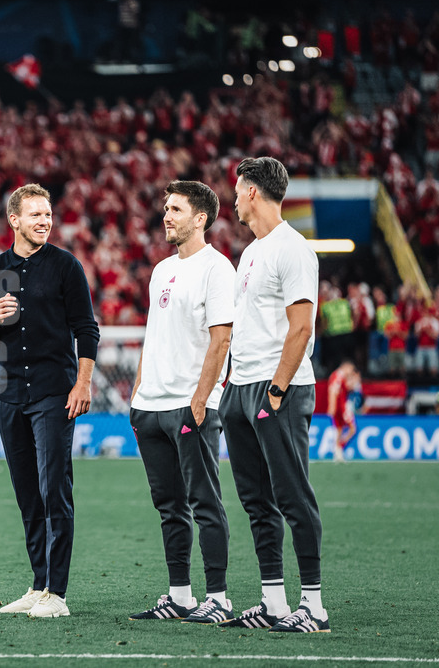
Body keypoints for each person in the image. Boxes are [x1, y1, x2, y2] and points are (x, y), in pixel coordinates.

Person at [0, 183, 99, 619]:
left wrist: (83, 383)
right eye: (36, 215)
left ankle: (56, 593)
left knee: (54, 488)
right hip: (9, 393)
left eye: (48, 215)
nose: (45, 221)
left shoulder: (65, 267)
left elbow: (86, 329)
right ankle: (38, 583)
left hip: (53, 392)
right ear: (15, 221)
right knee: (27, 494)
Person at [219, 156, 329, 633]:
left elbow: (301, 328)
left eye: (238, 189)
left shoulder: (294, 249)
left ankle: (314, 605)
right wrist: (230, 385)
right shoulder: (250, 253)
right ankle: (273, 603)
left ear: (253, 193)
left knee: (292, 495)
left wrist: (278, 390)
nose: (234, 198)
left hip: (276, 386)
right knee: (256, 501)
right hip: (240, 387)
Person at [127, 181, 235, 624]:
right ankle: (180, 596)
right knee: (168, 506)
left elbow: (221, 338)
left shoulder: (218, 269)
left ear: (200, 219)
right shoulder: (160, 270)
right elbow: (154, 337)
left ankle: (220, 599)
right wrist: (137, 394)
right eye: (165, 208)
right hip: (150, 406)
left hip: (190, 406)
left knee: (204, 502)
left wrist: (201, 398)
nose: (166, 216)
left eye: (176, 209)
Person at [327, 361, 359, 462]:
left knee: (340, 430)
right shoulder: (337, 376)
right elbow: (333, 391)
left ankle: (338, 450)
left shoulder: (340, 377)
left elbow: (345, 389)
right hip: (341, 408)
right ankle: (339, 447)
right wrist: (332, 406)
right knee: (352, 429)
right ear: (346, 367)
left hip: (341, 407)